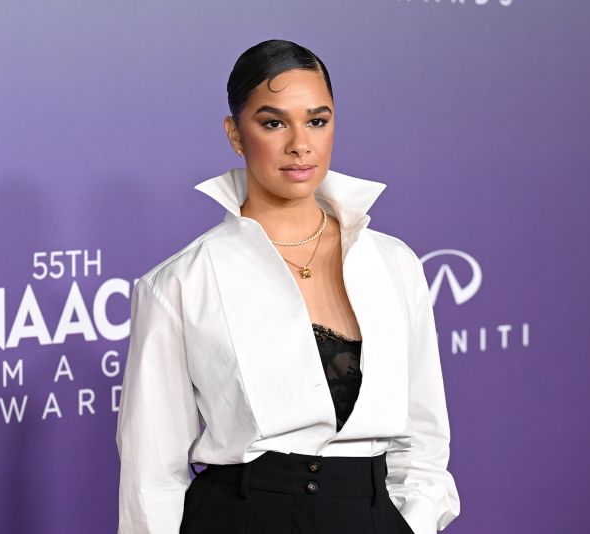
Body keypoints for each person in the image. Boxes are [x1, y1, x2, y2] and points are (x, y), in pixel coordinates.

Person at [116, 39, 460, 534]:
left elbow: (424, 437)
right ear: (235, 134)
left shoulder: (393, 263)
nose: (300, 143)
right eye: (273, 122)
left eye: (317, 121)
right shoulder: (179, 284)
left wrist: (414, 522)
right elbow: (151, 475)